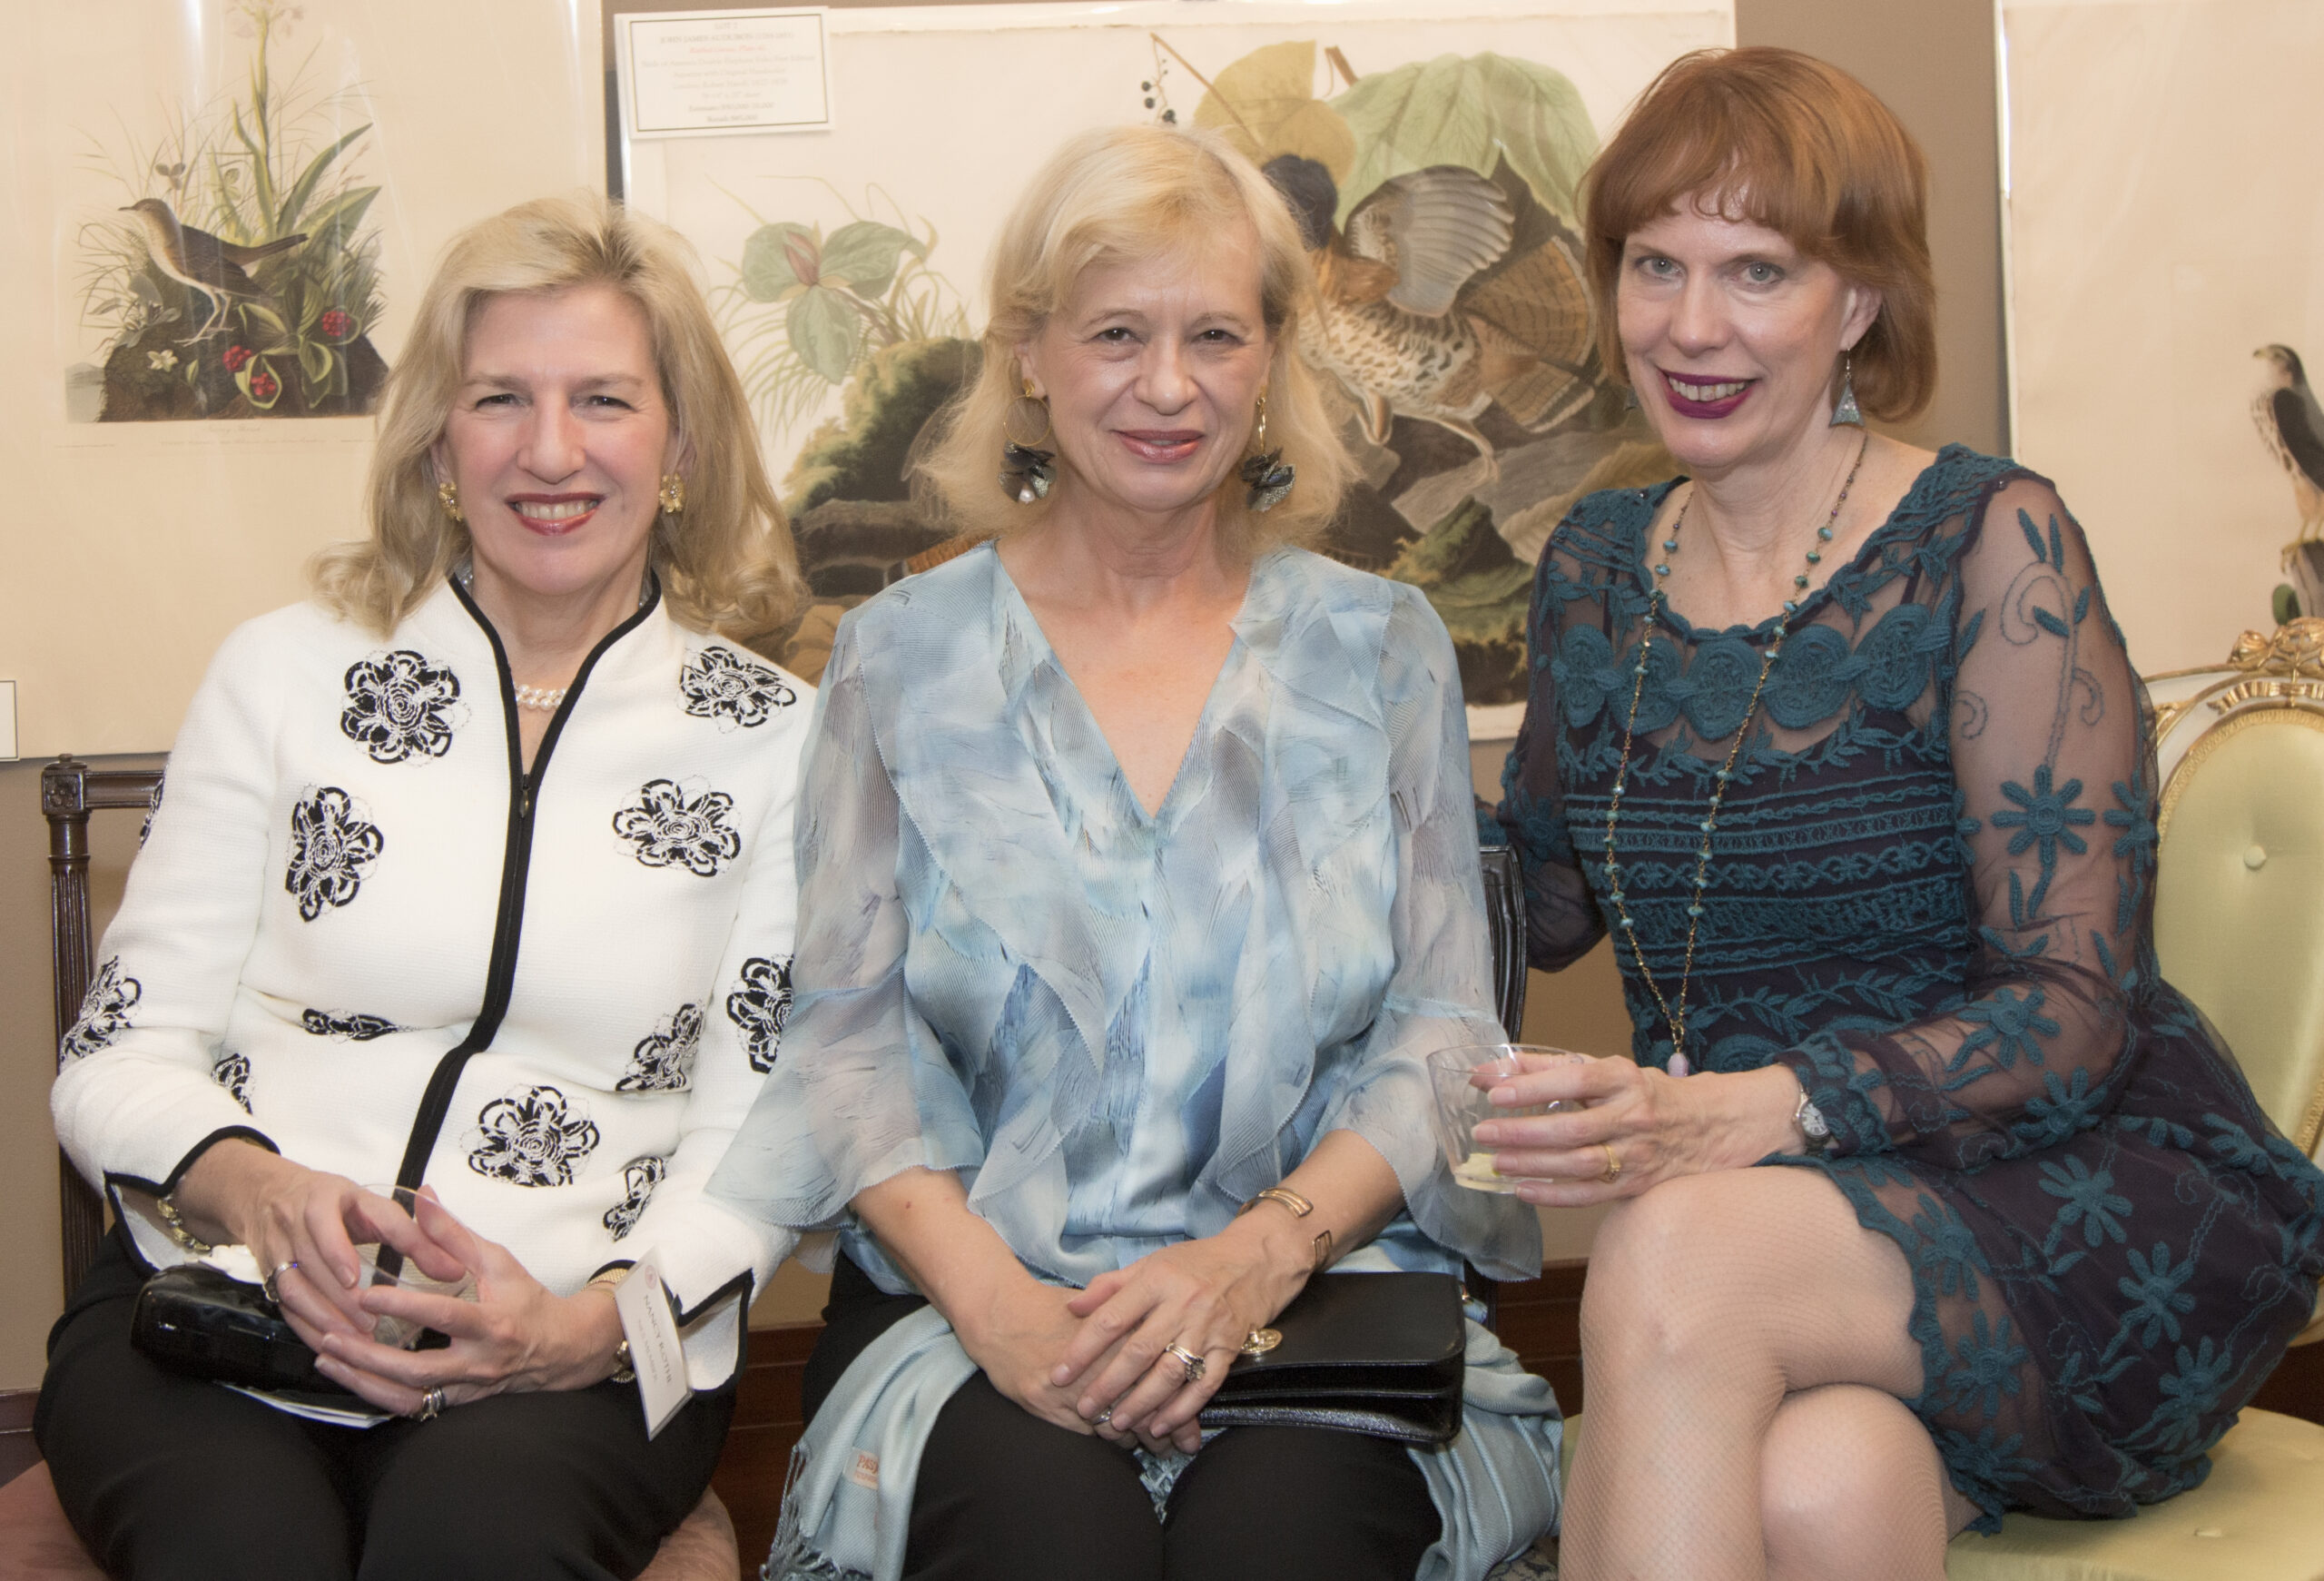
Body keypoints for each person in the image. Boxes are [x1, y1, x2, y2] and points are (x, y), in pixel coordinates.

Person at [1481, 46, 2324, 1581]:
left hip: (2059, 1190)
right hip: (1783, 1235)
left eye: (1757, 271)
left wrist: (1773, 1105)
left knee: (1671, 1246)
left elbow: (2074, 1010)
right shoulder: (1595, 568)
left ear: (1858, 299)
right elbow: (1535, 902)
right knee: (1824, 1490)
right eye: (1656, 264)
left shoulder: (1990, 541)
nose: (1690, 324)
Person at [704, 124, 1562, 1581]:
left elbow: (1442, 1031)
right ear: (1029, 353)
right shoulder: (895, 656)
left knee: (1275, 1551)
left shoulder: (1383, 648)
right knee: (1055, 1546)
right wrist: (1001, 1309)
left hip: (1321, 1304)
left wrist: (1256, 1255)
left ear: (1272, 355)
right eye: (1117, 333)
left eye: (1214, 334)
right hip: (970, 1316)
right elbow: (845, 1042)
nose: (1169, 386)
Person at [40, 192, 814, 1580]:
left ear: (683, 445)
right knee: (239, 1549)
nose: (551, 450)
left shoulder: (777, 739)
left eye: (604, 400)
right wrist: (258, 1190)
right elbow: (116, 1051)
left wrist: (588, 1325)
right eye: (500, 398)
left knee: (474, 1545)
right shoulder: (281, 674)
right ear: (439, 443)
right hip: (222, 1302)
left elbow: (761, 1133)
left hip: (577, 1337)